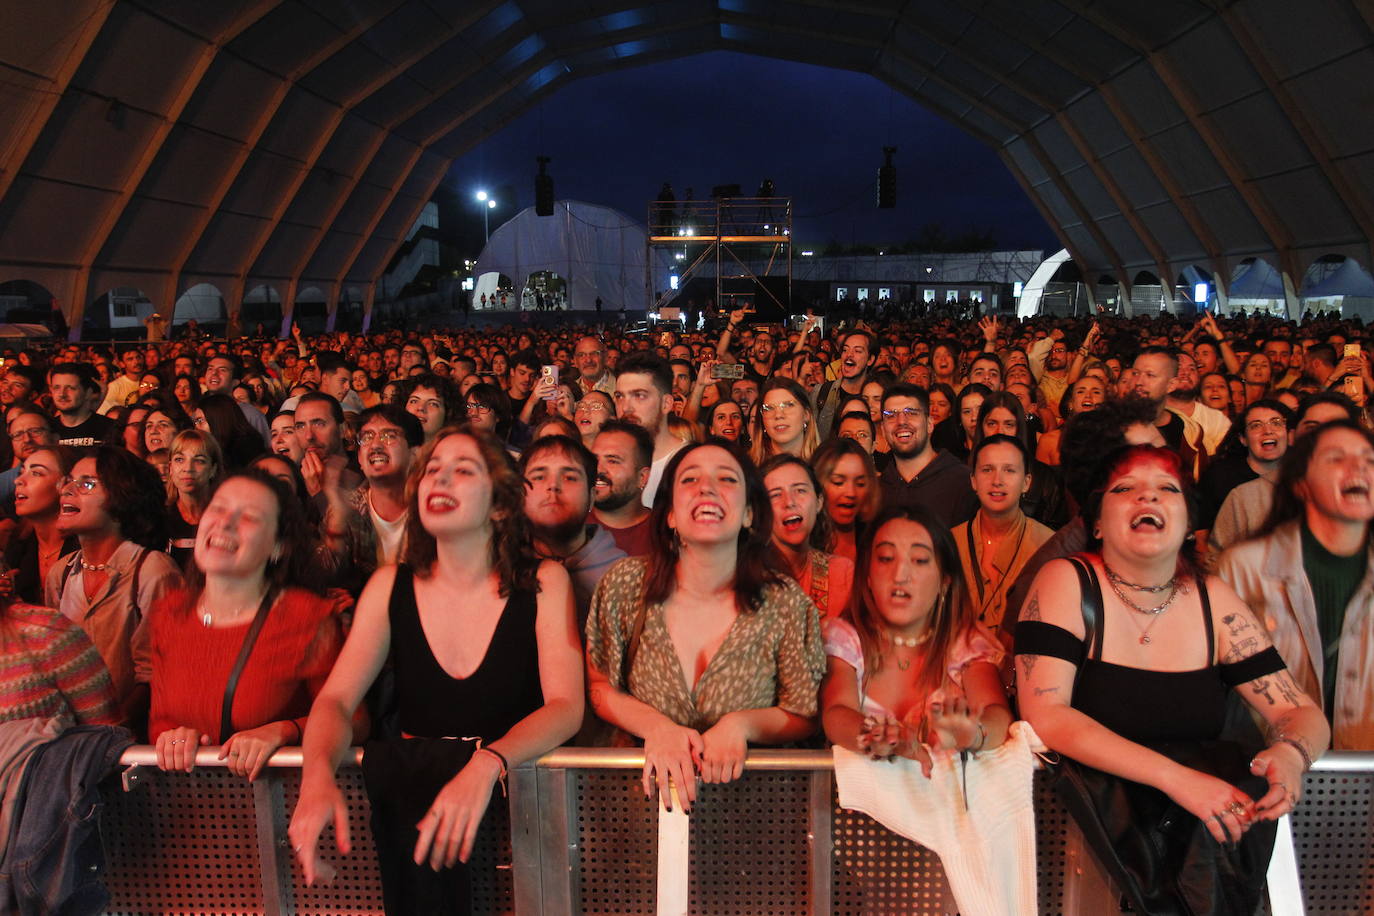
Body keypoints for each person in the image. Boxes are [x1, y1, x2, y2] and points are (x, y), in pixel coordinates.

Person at [1015, 445, 1330, 915]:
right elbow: (1047, 714)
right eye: (1126, 489)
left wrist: (1291, 753)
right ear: (1098, 522)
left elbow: (1301, 712)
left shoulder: (1214, 600)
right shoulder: (1066, 580)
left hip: (1197, 854)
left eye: (1167, 489)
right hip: (1088, 848)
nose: (1148, 497)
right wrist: (1177, 780)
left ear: (1187, 525)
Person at [289, 428, 583, 912]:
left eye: (462, 470)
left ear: (500, 506)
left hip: (523, 810)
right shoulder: (389, 585)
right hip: (420, 819)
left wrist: (487, 765)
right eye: (431, 470)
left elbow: (566, 706)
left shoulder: (545, 580)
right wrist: (316, 774)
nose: (439, 479)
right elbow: (337, 700)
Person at [585, 440, 825, 812]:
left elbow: (803, 712)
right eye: (690, 479)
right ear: (669, 515)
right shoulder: (625, 585)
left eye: (726, 479)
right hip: (635, 812)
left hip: (754, 819)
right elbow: (600, 686)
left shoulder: (784, 602)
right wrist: (656, 727)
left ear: (748, 513)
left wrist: (741, 725)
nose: (707, 487)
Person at [150, 469, 350, 780]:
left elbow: (353, 719)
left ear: (278, 547)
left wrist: (282, 732)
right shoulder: (169, 610)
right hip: (187, 808)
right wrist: (172, 737)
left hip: (276, 807)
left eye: (250, 517)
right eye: (218, 508)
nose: (225, 523)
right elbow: (158, 718)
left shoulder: (307, 617)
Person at [1218, 420, 1374, 749]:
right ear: (1301, 484)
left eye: (1369, 459)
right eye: (1336, 458)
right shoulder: (1246, 567)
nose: (1359, 467)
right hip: (1269, 765)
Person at [821, 505, 1010, 773]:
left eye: (920, 560)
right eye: (886, 558)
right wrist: (875, 737)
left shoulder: (968, 642)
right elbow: (836, 711)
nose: (900, 575)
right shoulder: (847, 639)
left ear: (945, 580)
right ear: (867, 576)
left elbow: (997, 713)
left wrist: (974, 734)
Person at [45, 446, 184, 726]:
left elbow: (158, 673)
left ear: (122, 498)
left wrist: (109, 731)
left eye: (86, 484)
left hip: (133, 742)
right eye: (67, 481)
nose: (67, 491)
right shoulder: (60, 574)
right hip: (70, 738)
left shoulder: (152, 570)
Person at [952, 435, 1053, 641]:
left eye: (1009, 470)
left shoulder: (1048, 546)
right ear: (973, 480)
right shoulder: (949, 543)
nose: (997, 481)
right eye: (987, 470)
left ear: (1026, 482)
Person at [760, 454, 854, 620]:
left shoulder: (842, 573)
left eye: (800, 490)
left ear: (819, 502)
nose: (789, 502)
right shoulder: (745, 578)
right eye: (775, 495)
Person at [877, 383, 974, 529]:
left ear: (930, 424)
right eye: (891, 415)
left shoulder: (963, 483)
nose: (901, 421)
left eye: (911, 413)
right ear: (883, 431)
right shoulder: (877, 491)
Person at [4, 444, 80, 604]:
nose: (18, 480)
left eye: (36, 473)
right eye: (21, 472)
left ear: (66, 485)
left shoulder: (87, 545)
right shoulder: (18, 544)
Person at [612, 352, 683, 508]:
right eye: (620, 396)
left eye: (639, 396)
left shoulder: (688, 464)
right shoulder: (607, 462)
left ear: (666, 403)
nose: (625, 408)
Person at [590, 421, 654, 558]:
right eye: (593, 460)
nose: (598, 469)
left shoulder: (665, 536)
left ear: (642, 477)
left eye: (613, 461)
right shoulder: (569, 526)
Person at [813, 437, 880, 563]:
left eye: (860, 483)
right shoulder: (801, 543)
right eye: (838, 482)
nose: (851, 493)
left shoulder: (878, 539)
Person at [164, 429, 224, 569]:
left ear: (213, 469)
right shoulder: (158, 518)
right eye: (179, 459)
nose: (188, 468)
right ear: (170, 468)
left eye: (199, 461)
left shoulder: (225, 518)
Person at [748, 378, 819, 465]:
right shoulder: (745, 467)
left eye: (788, 405)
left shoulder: (826, 466)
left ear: (806, 414)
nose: (778, 415)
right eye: (769, 408)